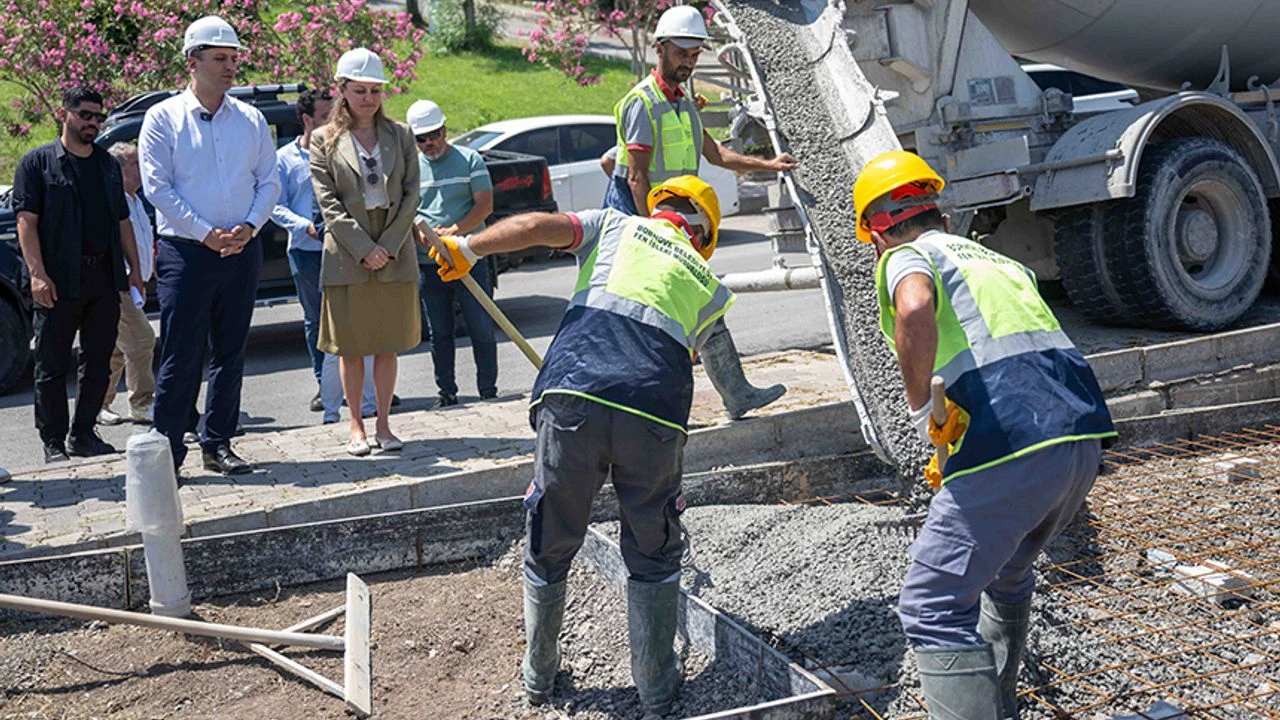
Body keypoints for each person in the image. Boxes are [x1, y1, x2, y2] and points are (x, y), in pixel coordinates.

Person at [430, 175, 731, 719]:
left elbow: (537, 227)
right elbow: (695, 357)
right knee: (654, 547)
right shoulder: (711, 284)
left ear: (659, 208)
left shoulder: (615, 226)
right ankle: (657, 691)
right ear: (703, 234)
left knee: (550, 533)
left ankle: (538, 678)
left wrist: (467, 248)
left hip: (573, 395)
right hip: (653, 415)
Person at [857, 151, 1117, 718]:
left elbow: (916, 305)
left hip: (1015, 442)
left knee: (929, 605)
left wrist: (921, 405)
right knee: (1009, 569)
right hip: (1079, 439)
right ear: (941, 216)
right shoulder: (995, 261)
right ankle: (998, 703)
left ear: (876, 232)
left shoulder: (906, 254)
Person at [606, 5, 796, 421]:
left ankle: (734, 394)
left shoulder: (684, 102)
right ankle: (699, 398)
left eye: (694, 54)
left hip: (677, 223)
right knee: (670, 311)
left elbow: (717, 154)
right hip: (649, 224)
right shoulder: (643, 102)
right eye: (681, 53)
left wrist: (770, 165)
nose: (689, 61)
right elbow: (636, 177)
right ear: (660, 49)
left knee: (697, 307)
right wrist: (650, 235)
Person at [138, 16, 281, 475]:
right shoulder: (162, 118)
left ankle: (217, 443)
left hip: (241, 248)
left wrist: (249, 226)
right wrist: (205, 232)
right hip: (187, 252)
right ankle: (167, 453)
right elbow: (157, 188)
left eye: (233, 58)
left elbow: (269, 181)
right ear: (191, 61)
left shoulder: (251, 119)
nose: (230, 67)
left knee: (231, 350)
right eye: (220, 58)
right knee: (182, 353)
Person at [13, 86, 145, 463]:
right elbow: (27, 223)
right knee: (52, 364)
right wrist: (38, 275)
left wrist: (135, 269)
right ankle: (53, 441)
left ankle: (83, 433)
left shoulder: (106, 164)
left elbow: (122, 219)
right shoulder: (37, 163)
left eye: (98, 117)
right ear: (64, 114)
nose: (92, 123)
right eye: (85, 115)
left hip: (103, 277)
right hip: (57, 280)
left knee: (99, 359)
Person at [311, 48, 421, 456]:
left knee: (387, 342)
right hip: (346, 252)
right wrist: (364, 249)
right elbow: (328, 202)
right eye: (360, 90)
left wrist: (387, 246)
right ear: (341, 90)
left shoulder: (402, 134)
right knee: (353, 345)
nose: (369, 98)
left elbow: (412, 194)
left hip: (393, 245)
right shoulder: (323, 140)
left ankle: (385, 425)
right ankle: (355, 425)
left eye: (375, 90)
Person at [408, 99, 498, 406]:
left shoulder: (470, 159)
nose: (430, 142)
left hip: (469, 255)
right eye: (422, 138)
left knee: (480, 326)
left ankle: (488, 391)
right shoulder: (410, 168)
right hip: (429, 262)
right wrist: (418, 232)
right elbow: (406, 212)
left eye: (435, 134)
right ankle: (446, 392)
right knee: (439, 331)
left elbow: (484, 205)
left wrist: (455, 232)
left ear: (444, 129)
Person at [272, 87, 334, 411]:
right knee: (315, 320)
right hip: (306, 250)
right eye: (325, 117)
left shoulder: (341, 152)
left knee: (353, 316)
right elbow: (274, 206)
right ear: (307, 120)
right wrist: (304, 226)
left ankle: (364, 386)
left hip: (343, 249)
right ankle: (325, 385)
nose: (331, 123)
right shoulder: (284, 160)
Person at [97, 142, 157, 427]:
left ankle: (99, 404)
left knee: (117, 349)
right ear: (119, 169)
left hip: (136, 285)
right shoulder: (112, 200)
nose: (141, 168)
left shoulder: (135, 199)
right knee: (143, 340)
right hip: (119, 285)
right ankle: (142, 403)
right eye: (135, 163)